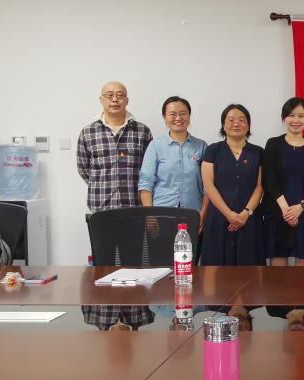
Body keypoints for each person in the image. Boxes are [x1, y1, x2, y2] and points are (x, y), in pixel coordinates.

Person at [200, 104, 265, 332]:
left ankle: (244, 306)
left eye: (241, 119)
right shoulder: (213, 150)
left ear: (248, 125)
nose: (236, 123)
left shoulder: (258, 152)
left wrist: (246, 213)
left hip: (249, 221)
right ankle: (221, 313)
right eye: (230, 119)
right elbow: (208, 185)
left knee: (249, 266)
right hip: (219, 220)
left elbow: (260, 186)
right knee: (218, 266)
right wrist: (229, 214)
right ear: (223, 124)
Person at [262, 97, 304, 331]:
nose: (296, 120)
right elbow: (269, 178)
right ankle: (283, 305)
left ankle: (301, 304)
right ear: (283, 118)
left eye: (301, 116)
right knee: (278, 261)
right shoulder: (273, 144)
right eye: (291, 115)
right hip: (279, 211)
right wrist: (285, 207)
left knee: (303, 262)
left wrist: (301, 206)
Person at [76, 81, 152, 212]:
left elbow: (149, 170)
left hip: (135, 206)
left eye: (120, 95)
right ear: (101, 99)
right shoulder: (88, 132)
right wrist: (101, 184)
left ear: (127, 100)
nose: (115, 100)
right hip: (100, 207)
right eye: (109, 95)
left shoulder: (142, 131)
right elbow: (83, 169)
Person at [138, 96, 209, 226]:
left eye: (183, 113)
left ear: (189, 116)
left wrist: (203, 215)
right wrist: (150, 215)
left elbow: (208, 187)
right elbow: (146, 183)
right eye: (172, 114)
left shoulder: (201, 146)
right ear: (165, 117)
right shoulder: (155, 146)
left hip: (193, 213)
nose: (178, 118)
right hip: (161, 214)